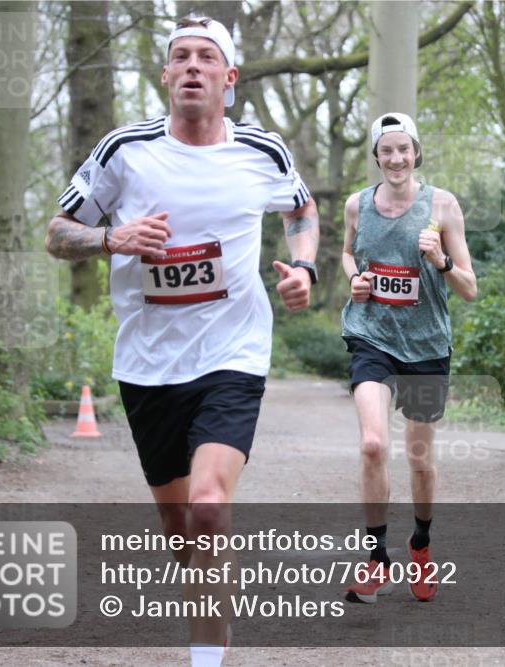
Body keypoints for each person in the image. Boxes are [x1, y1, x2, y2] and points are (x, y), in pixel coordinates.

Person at [45, 16, 318, 666]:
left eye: (206, 57)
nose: (192, 65)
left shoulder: (263, 151)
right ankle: (209, 608)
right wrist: (112, 237)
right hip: (147, 363)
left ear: (229, 78)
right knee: (181, 531)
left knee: (208, 505)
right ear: (166, 75)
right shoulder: (125, 151)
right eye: (180, 56)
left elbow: (301, 207)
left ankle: (206, 656)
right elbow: (56, 233)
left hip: (233, 354)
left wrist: (303, 266)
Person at [340, 113, 477, 604]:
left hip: (425, 346)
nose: (396, 158)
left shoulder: (442, 205)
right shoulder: (357, 205)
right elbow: (347, 254)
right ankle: (377, 560)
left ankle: (420, 544)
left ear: (416, 153)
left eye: (404, 149)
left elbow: (469, 287)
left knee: (420, 460)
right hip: (371, 335)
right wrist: (354, 279)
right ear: (375, 156)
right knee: (373, 445)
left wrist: (440, 260)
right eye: (387, 150)